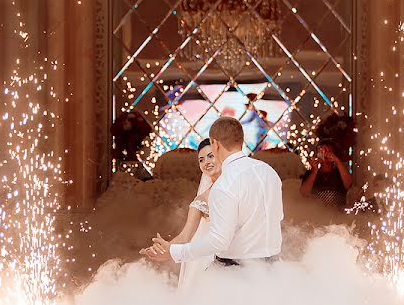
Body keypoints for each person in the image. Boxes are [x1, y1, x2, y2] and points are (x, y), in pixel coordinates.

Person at [144, 116, 283, 267]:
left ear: (215, 144)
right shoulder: (269, 172)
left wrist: (174, 252)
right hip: (274, 269)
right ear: (241, 141)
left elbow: (219, 240)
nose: (207, 162)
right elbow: (278, 217)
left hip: (238, 273)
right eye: (201, 159)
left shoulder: (225, 184)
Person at [140, 138, 222, 288]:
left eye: (211, 156)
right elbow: (185, 235)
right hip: (210, 259)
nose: (206, 162)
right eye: (201, 160)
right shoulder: (201, 201)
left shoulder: (240, 187)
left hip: (243, 253)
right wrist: (166, 248)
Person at [300, 140, 352, 207]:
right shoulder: (311, 173)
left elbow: (349, 185)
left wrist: (338, 162)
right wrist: (314, 170)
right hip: (317, 212)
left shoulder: (340, 171)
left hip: (338, 212)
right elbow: (304, 193)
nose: (325, 154)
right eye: (322, 152)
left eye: (329, 152)